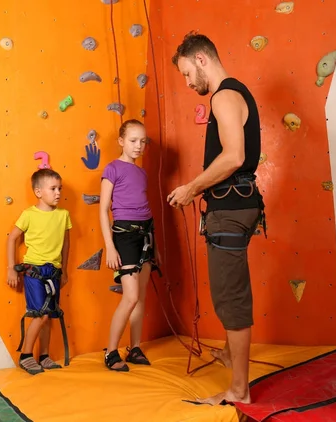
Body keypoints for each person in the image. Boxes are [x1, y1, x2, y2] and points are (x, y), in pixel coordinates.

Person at [167, 32, 266, 405]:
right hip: (231, 205)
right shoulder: (233, 93)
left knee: (229, 294)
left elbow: (233, 157)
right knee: (229, 285)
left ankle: (239, 390)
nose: (188, 82)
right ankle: (229, 353)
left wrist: (192, 188)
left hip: (232, 207)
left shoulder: (224, 95)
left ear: (201, 59)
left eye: (187, 73)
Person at [99, 119, 159, 372]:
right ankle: (111, 351)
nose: (139, 146)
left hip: (146, 233)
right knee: (131, 296)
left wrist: (156, 247)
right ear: (121, 141)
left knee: (141, 296)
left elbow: (145, 208)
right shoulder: (112, 168)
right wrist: (110, 247)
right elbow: (103, 211)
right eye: (133, 141)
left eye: (143, 141)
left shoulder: (142, 172)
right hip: (124, 235)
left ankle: (135, 348)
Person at [7, 168, 72, 375]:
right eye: (53, 188)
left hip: (54, 271)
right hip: (34, 271)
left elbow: (66, 245)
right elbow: (12, 238)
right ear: (38, 192)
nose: (58, 193)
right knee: (40, 314)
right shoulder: (29, 214)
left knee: (50, 315)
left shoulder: (64, 215)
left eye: (59, 188)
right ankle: (26, 356)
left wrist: (64, 270)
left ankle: (43, 355)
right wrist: (11, 267)